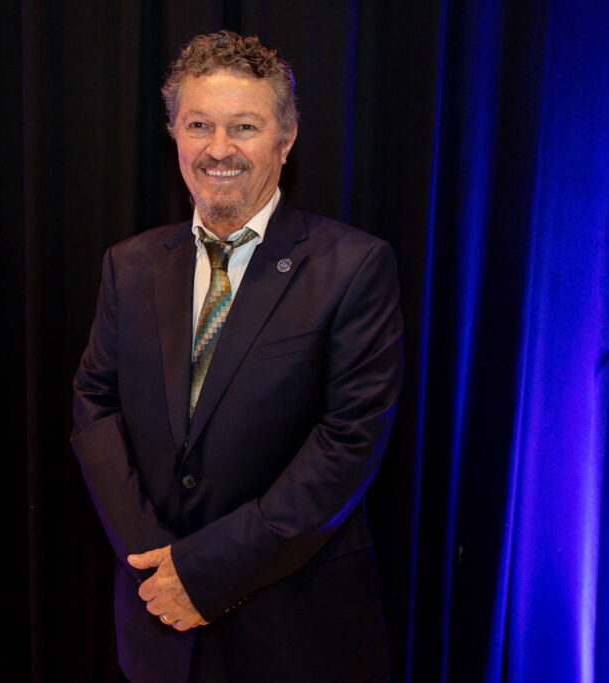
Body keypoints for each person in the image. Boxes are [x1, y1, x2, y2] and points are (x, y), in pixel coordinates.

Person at [72, 30, 402, 682]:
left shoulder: (354, 267)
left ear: (286, 138)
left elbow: (348, 444)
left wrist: (203, 571)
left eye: (244, 127)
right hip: (157, 621)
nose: (218, 148)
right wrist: (156, 562)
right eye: (199, 125)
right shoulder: (129, 265)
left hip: (296, 630)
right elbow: (95, 405)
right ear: (174, 134)